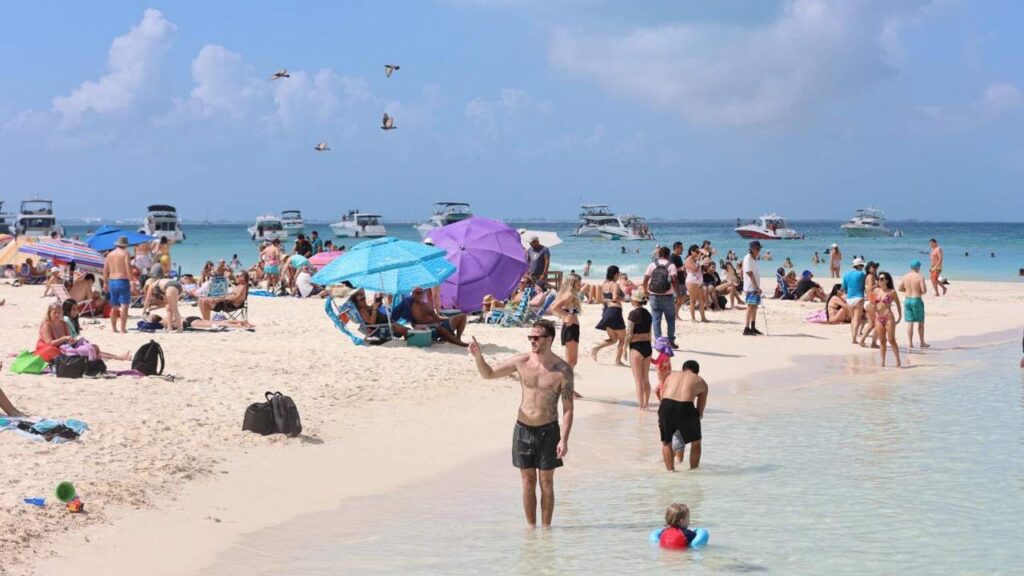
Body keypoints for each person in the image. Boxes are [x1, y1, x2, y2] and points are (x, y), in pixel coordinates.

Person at [468, 321, 574, 527]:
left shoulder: (563, 370)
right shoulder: (521, 361)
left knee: (547, 482)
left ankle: (546, 530)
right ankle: (531, 528)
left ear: (549, 340)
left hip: (549, 431)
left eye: (536, 337)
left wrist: (564, 439)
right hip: (523, 429)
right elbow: (488, 374)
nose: (532, 341)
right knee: (527, 481)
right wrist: (478, 357)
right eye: (530, 337)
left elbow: (568, 408)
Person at [658, 359, 707, 471]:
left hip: (666, 406)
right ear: (696, 372)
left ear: (683, 369)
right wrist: (693, 423)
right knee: (696, 442)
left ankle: (670, 472)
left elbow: (662, 397)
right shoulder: (700, 381)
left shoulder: (671, 376)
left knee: (666, 442)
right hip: (686, 407)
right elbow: (700, 411)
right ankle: (693, 471)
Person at [551, 276, 583, 399]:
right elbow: (554, 307)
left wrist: (566, 315)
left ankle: (567, 388)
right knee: (570, 362)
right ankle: (566, 389)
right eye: (579, 283)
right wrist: (565, 316)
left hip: (573, 328)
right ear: (573, 283)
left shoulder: (570, 294)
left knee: (572, 361)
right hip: (570, 328)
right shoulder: (569, 294)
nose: (580, 285)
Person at [644, 246, 679, 348]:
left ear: (659, 255)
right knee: (671, 319)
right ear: (668, 255)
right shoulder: (671, 265)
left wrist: (646, 291)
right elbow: (674, 280)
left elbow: (645, 279)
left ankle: (659, 342)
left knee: (656, 319)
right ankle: (671, 341)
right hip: (668, 296)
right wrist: (678, 294)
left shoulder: (652, 265)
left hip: (654, 296)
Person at [591, 265, 627, 365]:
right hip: (615, 312)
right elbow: (615, 297)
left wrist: (608, 300)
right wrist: (625, 299)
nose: (619, 275)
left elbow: (601, 299)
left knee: (613, 339)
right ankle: (617, 361)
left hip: (606, 312)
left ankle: (596, 349)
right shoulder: (614, 284)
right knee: (622, 339)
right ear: (615, 274)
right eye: (618, 273)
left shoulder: (604, 284)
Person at [625, 289, 653, 411]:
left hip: (636, 348)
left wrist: (625, 347)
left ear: (634, 300)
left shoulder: (632, 314)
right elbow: (649, 333)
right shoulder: (648, 314)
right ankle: (646, 403)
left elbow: (629, 333)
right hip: (647, 347)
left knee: (638, 380)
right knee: (645, 378)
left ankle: (641, 406)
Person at [103, 236, 133, 334]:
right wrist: (131, 280)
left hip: (112, 281)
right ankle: (123, 329)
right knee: (124, 305)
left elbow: (105, 269)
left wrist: (105, 282)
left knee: (114, 306)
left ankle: (114, 328)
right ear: (125, 245)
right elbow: (128, 267)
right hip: (122, 280)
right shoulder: (125, 253)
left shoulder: (109, 254)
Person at [874, 272, 902, 368]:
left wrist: (899, 317)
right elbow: (871, 303)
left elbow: (898, 304)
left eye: (882, 279)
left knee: (891, 339)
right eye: (879, 279)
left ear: (887, 280)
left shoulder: (892, 292)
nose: (880, 281)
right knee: (882, 341)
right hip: (878, 317)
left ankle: (898, 360)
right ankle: (882, 361)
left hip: (888, 316)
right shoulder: (876, 291)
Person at [899, 260, 928, 349]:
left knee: (910, 322)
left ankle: (910, 343)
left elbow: (900, 288)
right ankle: (922, 342)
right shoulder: (920, 277)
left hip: (907, 300)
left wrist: (907, 290)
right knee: (920, 322)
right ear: (918, 267)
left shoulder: (905, 276)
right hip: (916, 299)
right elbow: (923, 291)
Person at [842, 258, 867, 345]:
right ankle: (854, 338)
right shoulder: (862, 274)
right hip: (858, 297)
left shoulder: (846, 274)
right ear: (859, 266)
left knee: (853, 319)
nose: (863, 267)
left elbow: (844, 288)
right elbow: (865, 286)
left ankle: (853, 336)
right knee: (857, 319)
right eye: (862, 265)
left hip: (849, 298)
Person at [742, 241, 763, 335]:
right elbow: (749, 273)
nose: (759, 251)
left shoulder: (754, 258)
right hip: (751, 287)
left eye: (759, 249)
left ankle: (753, 326)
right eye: (757, 249)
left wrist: (758, 287)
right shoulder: (748, 258)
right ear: (753, 249)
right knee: (750, 306)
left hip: (755, 286)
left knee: (755, 306)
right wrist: (755, 287)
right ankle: (746, 328)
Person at [859, 262, 880, 348]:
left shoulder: (870, 276)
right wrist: (878, 284)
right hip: (871, 301)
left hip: (869, 301)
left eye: (875, 267)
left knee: (872, 324)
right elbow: (870, 289)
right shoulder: (870, 276)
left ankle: (863, 340)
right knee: (876, 323)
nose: (875, 269)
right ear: (868, 269)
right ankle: (873, 343)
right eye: (873, 268)